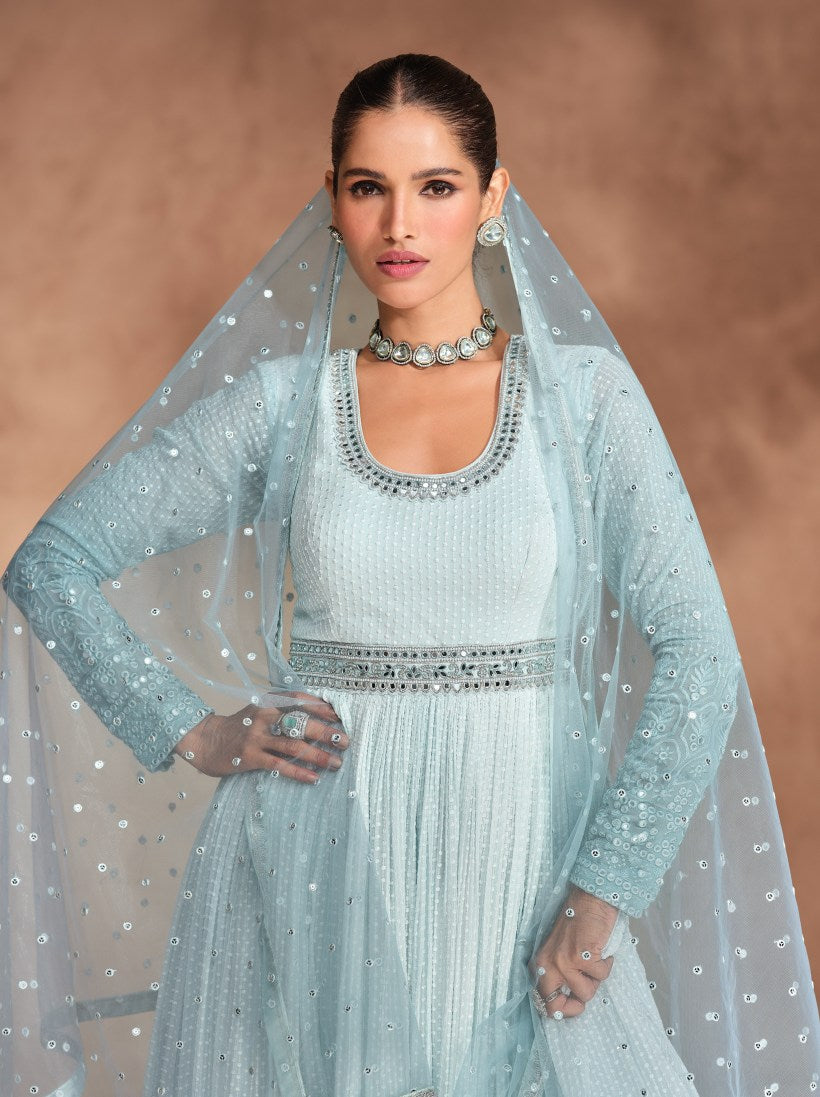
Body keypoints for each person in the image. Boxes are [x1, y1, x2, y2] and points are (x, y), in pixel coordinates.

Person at [1, 53, 817, 1097]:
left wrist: (604, 888)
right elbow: (53, 562)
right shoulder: (286, 406)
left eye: (435, 186)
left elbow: (699, 649)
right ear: (330, 200)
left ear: (493, 196)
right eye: (367, 187)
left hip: (527, 866)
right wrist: (190, 727)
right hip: (310, 866)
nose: (398, 225)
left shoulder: (582, 402)